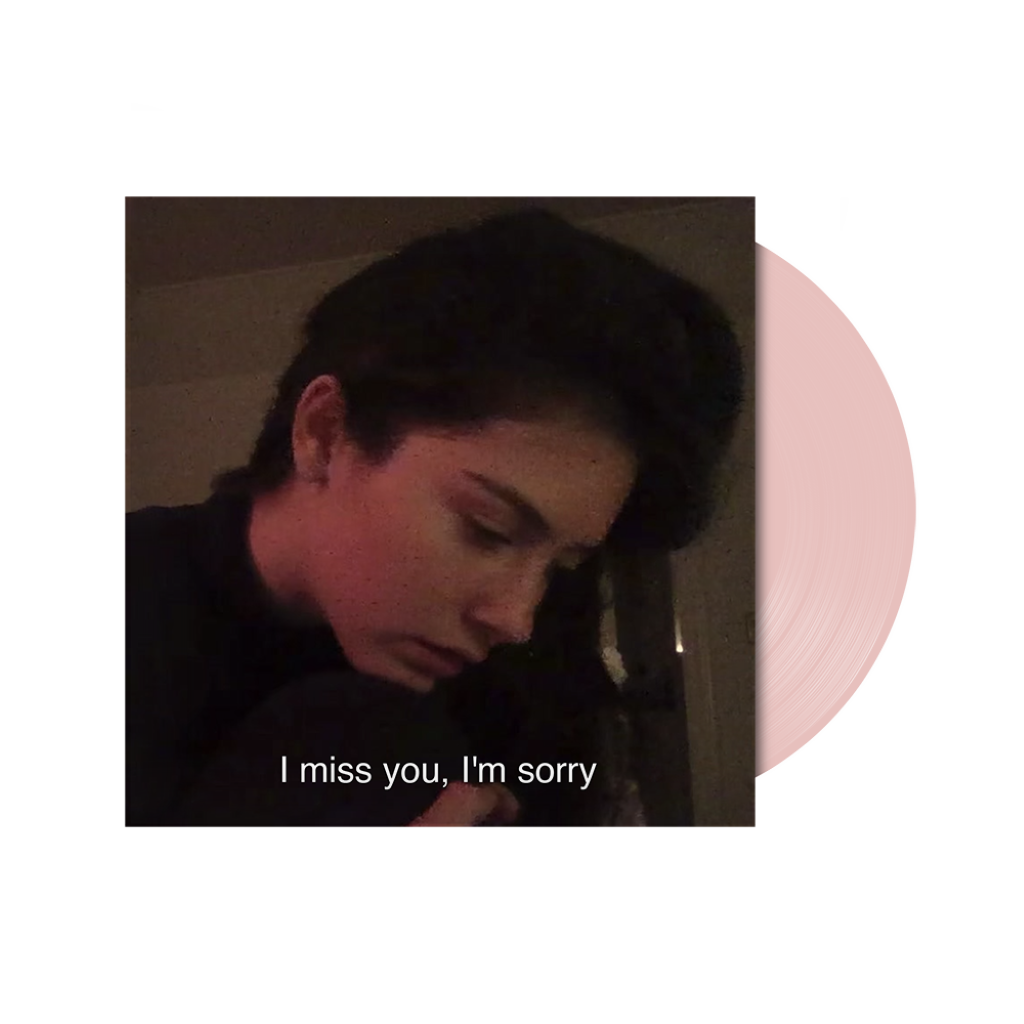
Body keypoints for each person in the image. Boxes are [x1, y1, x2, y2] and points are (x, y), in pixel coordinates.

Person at [124, 208, 743, 828]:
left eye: (560, 566)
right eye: (488, 528)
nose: (516, 620)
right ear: (325, 432)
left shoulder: (518, 683)